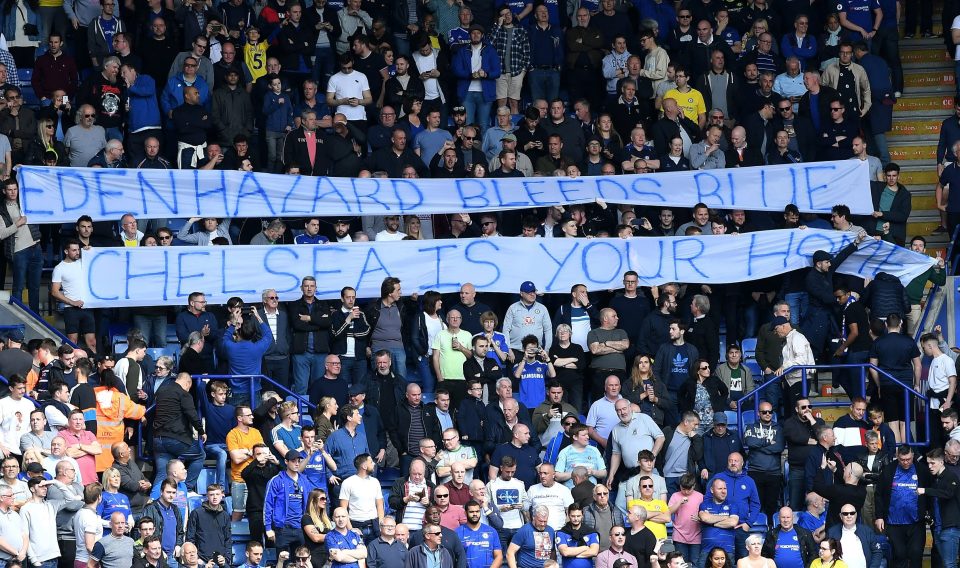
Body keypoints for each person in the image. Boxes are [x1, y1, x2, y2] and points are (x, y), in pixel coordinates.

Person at [152, 373, 206, 492]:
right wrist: (201, 431)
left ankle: (153, 501)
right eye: (189, 387)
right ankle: (185, 490)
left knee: (162, 473)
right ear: (187, 383)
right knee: (200, 455)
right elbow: (192, 414)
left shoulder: (162, 390)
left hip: (158, 439)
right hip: (176, 439)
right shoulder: (183, 394)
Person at [265, 450, 310, 553]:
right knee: (283, 561)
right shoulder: (276, 480)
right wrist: (268, 528)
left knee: (300, 561)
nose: (297, 463)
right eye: (293, 461)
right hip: (282, 528)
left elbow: (309, 504)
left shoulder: (304, 480)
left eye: (298, 461)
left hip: (300, 528)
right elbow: (268, 505)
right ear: (286, 461)